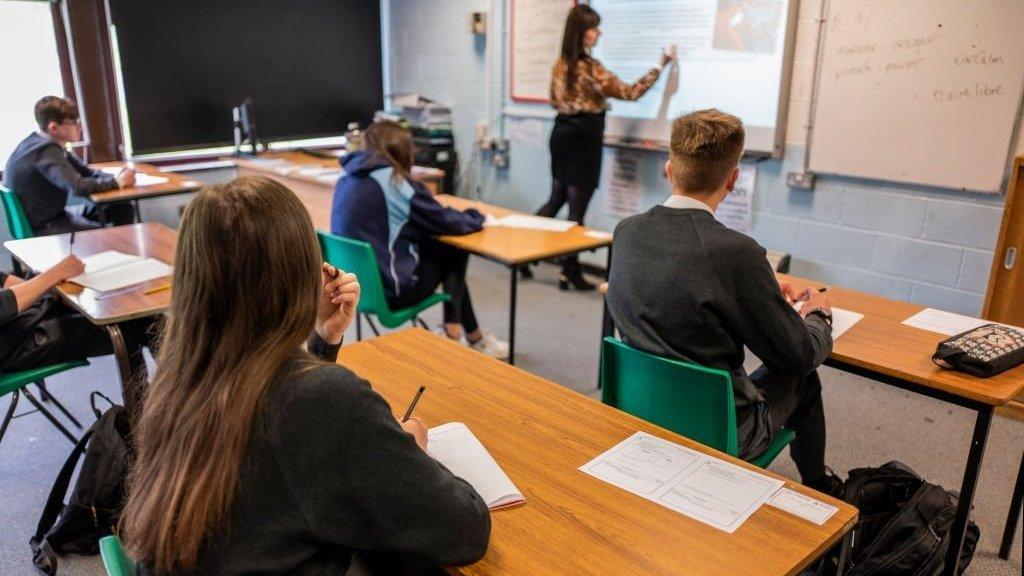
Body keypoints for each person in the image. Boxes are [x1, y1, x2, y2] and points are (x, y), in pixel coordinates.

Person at [122, 176, 491, 575]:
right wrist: (416, 452)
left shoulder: (182, 374)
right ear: (299, 272)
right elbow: (463, 530)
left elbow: (284, 440)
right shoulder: (325, 399)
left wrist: (322, 341)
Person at [606, 109, 842, 495]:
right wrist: (819, 315)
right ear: (733, 180)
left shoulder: (626, 232)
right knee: (804, 377)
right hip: (719, 432)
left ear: (669, 169)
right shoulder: (736, 254)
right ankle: (822, 487)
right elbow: (797, 355)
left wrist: (761, 285)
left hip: (640, 413)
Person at [332, 120, 509, 359]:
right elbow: (447, 222)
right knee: (452, 249)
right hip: (391, 293)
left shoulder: (347, 177)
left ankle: (465, 332)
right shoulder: (395, 182)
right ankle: (455, 331)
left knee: (439, 247)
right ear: (404, 152)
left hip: (353, 288)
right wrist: (476, 215)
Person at [529, 4, 675, 290]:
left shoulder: (560, 64)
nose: (599, 32)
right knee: (576, 209)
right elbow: (630, 92)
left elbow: (554, 100)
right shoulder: (591, 69)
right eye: (594, 28)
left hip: (561, 133)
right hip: (583, 139)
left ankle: (523, 251)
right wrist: (661, 65)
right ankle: (569, 270)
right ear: (581, 34)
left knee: (557, 197)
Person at [0, 254, 155, 377]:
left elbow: (3, 281)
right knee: (138, 324)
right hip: (14, 344)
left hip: (18, 320)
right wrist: (53, 275)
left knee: (126, 312)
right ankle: (162, 404)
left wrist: (46, 287)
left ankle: (155, 401)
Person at [3, 96, 136, 236]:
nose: (80, 127)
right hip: (46, 224)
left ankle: (121, 253)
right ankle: (117, 251)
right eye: (74, 122)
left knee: (123, 208)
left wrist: (115, 177)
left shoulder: (41, 143)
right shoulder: (45, 150)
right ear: (54, 127)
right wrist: (118, 182)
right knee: (100, 236)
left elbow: (85, 172)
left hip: (51, 215)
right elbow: (77, 186)